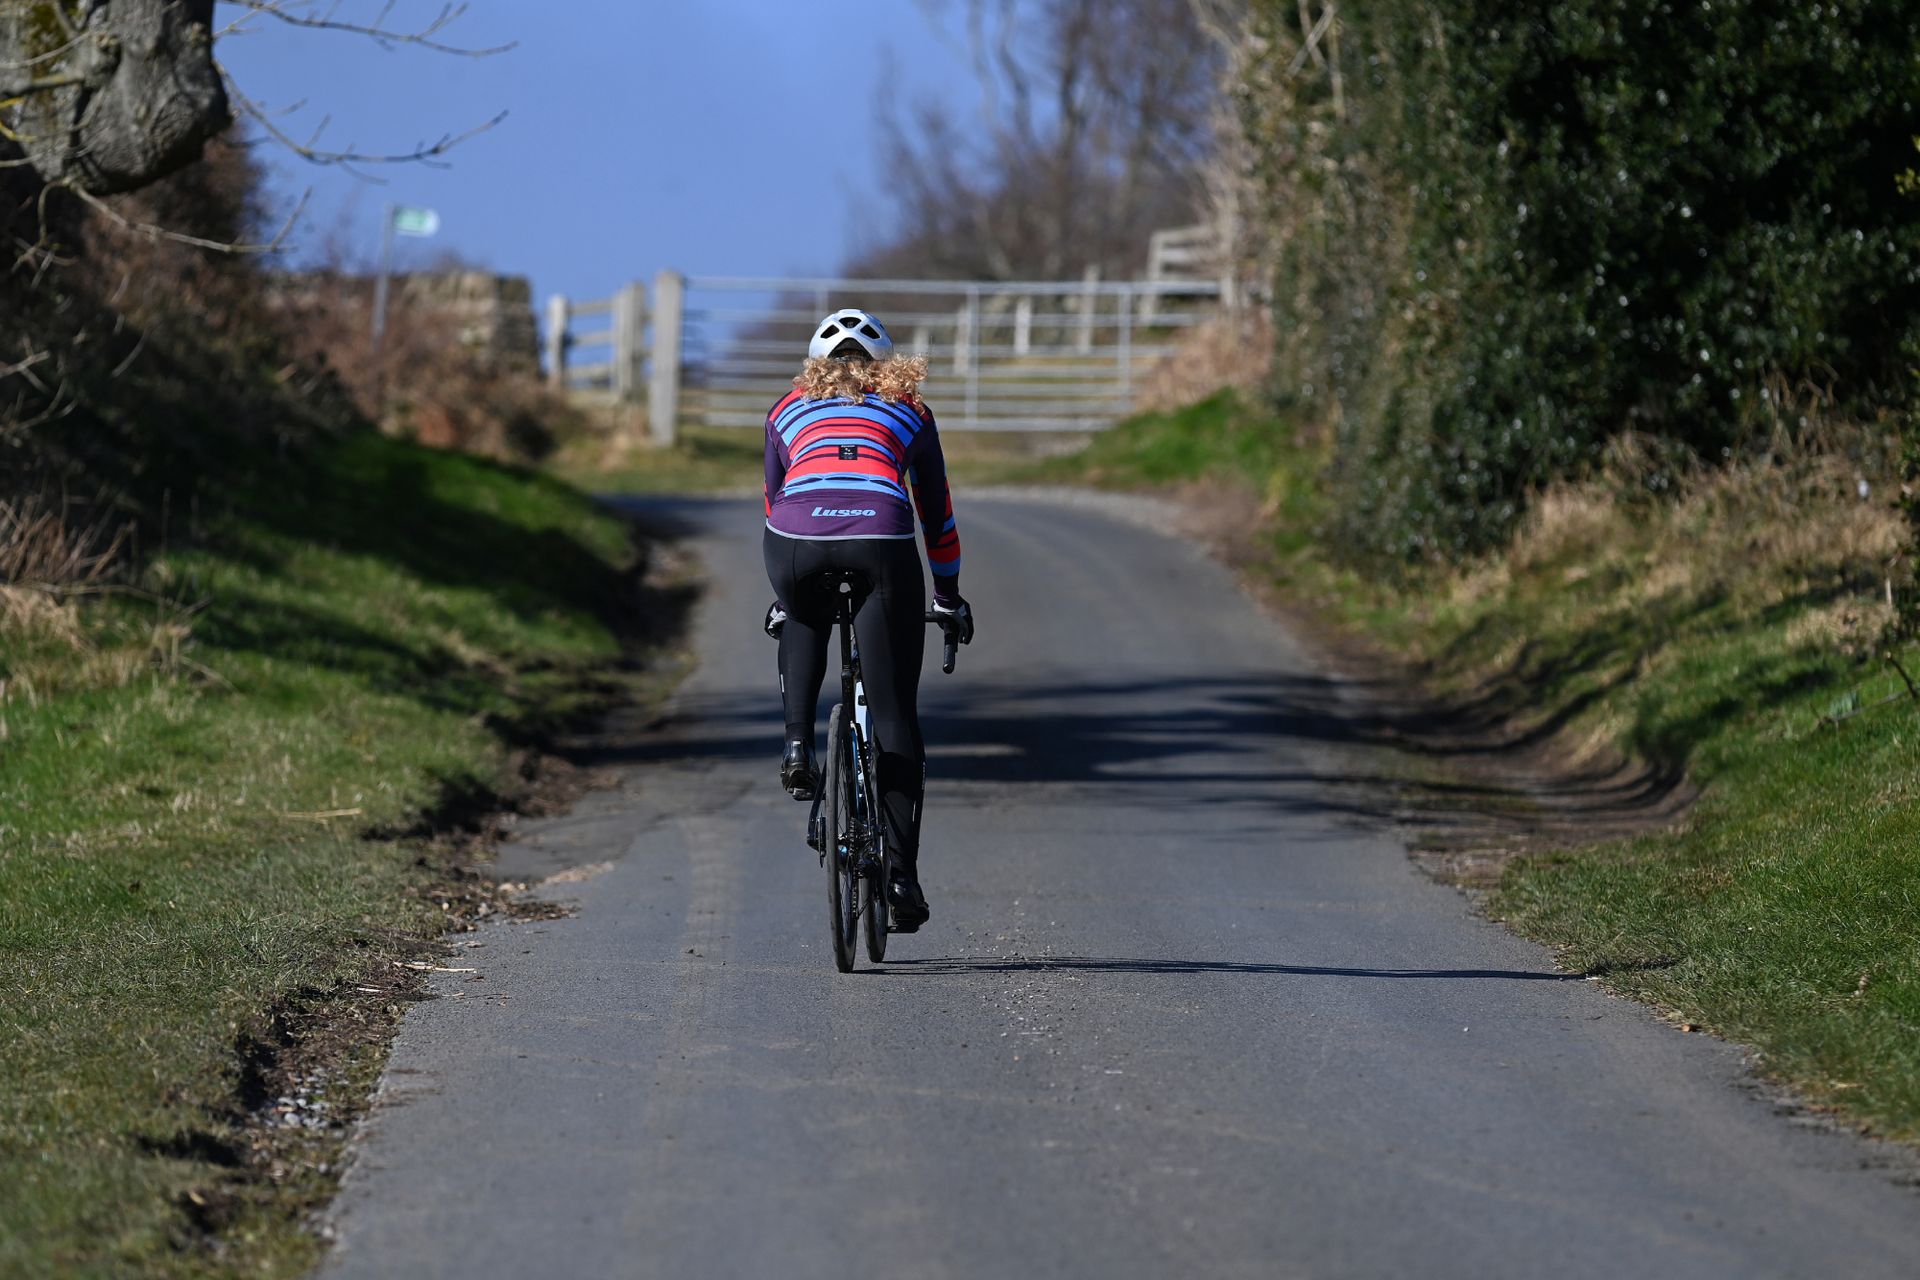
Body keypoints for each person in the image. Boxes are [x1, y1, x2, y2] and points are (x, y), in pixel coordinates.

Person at [761, 308, 974, 932]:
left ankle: (797, 743)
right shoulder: (911, 409)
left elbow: (775, 498)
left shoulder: (785, 409)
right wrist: (948, 594)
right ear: (885, 363)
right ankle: (901, 877)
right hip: (880, 539)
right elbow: (936, 513)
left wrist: (784, 592)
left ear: (816, 364)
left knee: (801, 613)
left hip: (794, 541)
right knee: (894, 715)